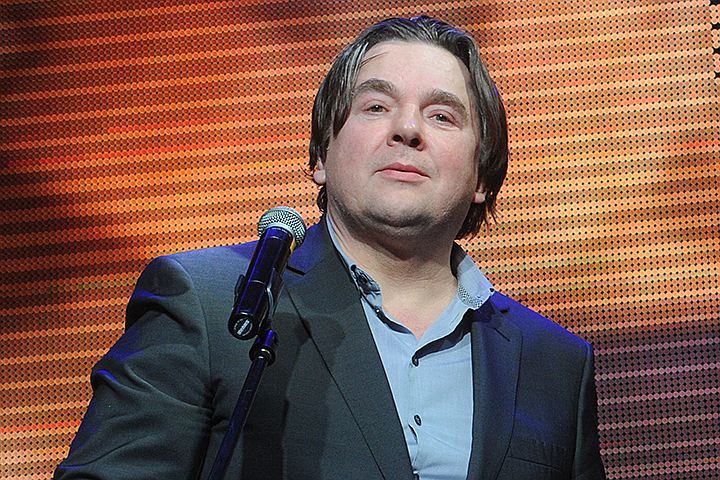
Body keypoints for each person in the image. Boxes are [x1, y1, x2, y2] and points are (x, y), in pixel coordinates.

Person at [54, 16, 606, 480]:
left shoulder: (556, 363)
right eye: (376, 107)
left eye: (442, 116)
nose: (407, 129)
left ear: (483, 175)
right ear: (321, 155)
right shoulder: (211, 303)